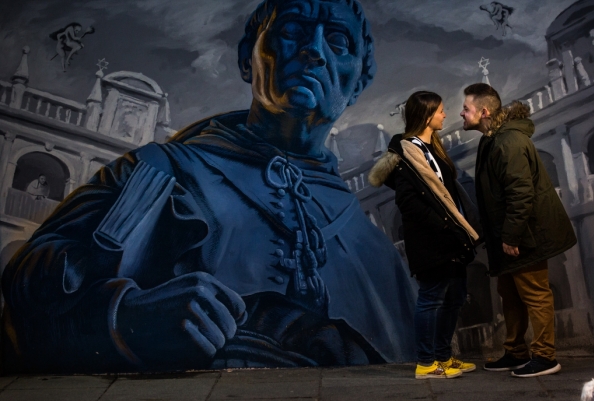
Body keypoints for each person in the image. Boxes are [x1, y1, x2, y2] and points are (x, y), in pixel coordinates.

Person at [2, 0, 416, 373]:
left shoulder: (378, 253)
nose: (315, 50)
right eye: (291, 31)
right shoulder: (160, 172)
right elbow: (27, 300)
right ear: (247, 58)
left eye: (339, 41)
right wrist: (123, 322)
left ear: (359, 80)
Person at [460, 83, 577, 378]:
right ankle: (515, 352)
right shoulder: (493, 140)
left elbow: (521, 192)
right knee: (509, 293)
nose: (461, 114)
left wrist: (511, 236)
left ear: (484, 111)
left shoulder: (508, 142)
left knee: (535, 293)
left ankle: (545, 357)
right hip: (510, 236)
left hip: (527, 235)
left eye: (466, 108)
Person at [369, 91, 482, 379]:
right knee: (431, 298)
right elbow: (409, 203)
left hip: (451, 237)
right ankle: (426, 362)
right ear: (427, 115)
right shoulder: (408, 154)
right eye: (441, 111)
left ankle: (443, 356)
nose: (446, 114)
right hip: (432, 240)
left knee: (455, 296)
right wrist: (443, 226)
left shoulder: (434, 149)